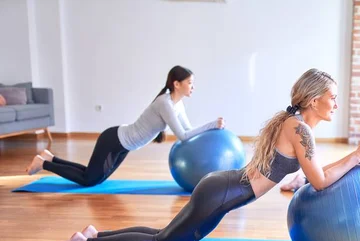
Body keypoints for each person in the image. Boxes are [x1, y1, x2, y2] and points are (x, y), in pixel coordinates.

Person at [50, 68, 360, 241]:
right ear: (314, 100)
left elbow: (314, 173)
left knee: (164, 235)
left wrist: (355, 156)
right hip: (219, 194)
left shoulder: (296, 124)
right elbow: (321, 180)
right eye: (333, 97)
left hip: (220, 190)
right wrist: (356, 156)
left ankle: (93, 236)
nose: (336, 103)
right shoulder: (300, 131)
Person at [25, 65, 225, 186]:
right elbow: (182, 135)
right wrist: (212, 125)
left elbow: (188, 131)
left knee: (94, 177)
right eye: (190, 83)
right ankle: (43, 164)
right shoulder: (164, 103)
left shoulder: (177, 104)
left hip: (124, 145)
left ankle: (51, 158)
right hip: (114, 140)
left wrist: (211, 128)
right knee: (89, 180)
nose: (193, 87)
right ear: (177, 84)